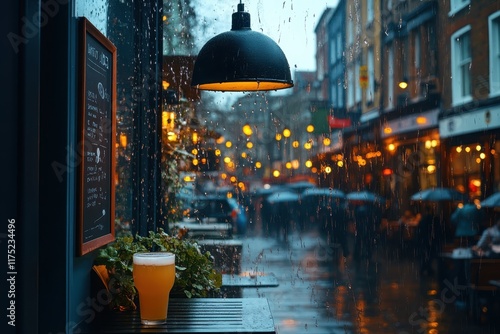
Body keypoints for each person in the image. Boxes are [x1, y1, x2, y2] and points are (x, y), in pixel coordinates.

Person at [416, 205, 441, 275]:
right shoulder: (433, 219)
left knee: (425, 254)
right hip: (430, 239)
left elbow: (420, 230)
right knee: (430, 254)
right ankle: (427, 268)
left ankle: (425, 268)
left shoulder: (423, 219)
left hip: (424, 239)